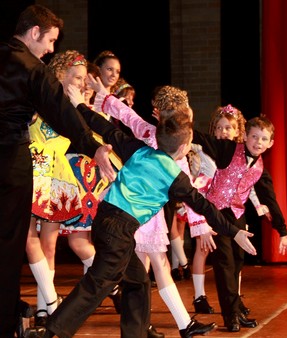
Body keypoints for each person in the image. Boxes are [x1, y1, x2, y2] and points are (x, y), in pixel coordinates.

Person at [43, 89, 257, 338]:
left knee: (138, 281)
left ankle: (135, 333)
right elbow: (205, 206)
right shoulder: (176, 177)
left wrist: (80, 105)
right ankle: (50, 332)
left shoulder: (137, 149)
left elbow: (104, 127)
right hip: (119, 230)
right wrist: (234, 231)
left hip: (105, 222)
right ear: (185, 146)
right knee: (99, 283)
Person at [0, 5, 114, 337]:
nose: (51, 48)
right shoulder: (33, 69)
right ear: (34, 32)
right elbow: (62, 112)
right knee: (9, 243)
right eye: (50, 40)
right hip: (10, 163)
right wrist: (93, 146)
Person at [191, 115, 287, 332]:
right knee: (225, 264)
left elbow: (269, 198)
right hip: (216, 213)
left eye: (263, 139)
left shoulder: (260, 168)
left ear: (270, 143)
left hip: (237, 214)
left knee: (237, 261)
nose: (258, 142)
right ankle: (230, 316)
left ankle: (236, 309)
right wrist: (181, 122)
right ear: (245, 136)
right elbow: (201, 138)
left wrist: (283, 230)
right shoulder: (229, 150)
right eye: (254, 136)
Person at [189, 104, 272, 316]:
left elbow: (249, 186)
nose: (224, 131)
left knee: (236, 256)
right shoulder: (205, 150)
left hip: (232, 210)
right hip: (205, 206)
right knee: (202, 249)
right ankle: (199, 296)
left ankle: (235, 298)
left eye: (229, 128)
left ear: (238, 132)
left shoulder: (243, 154)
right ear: (213, 130)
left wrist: (261, 208)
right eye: (219, 127)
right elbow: (196, 177)